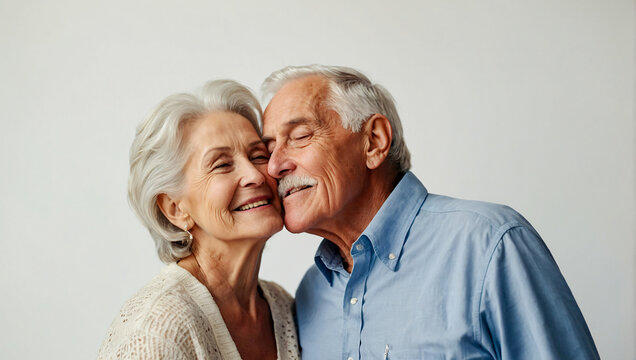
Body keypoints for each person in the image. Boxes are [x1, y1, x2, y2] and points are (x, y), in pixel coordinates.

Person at [260, 65, 600, 360]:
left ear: (374, 141)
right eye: (269, 149)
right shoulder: (311, 293)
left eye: (300, 136)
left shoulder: (489, 246)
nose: (275, 166)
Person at [98, 80, 299, 360]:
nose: (255, 175)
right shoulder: (157, 327)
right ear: (175, 209)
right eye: (222, 164)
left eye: (258, 155)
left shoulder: (282, 307)